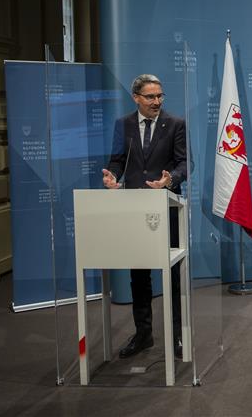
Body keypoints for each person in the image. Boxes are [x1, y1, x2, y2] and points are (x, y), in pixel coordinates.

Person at [101, 74, 188, 359]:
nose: (157, 101)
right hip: (136, 208)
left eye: (160, 96)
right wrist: (113, 175)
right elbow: (117, 159)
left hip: (168, 207)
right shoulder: (122, 125)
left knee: (173, 274)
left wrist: (170, 179)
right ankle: (143, 335)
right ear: (136, 97)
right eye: (150, 97)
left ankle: (178, 336)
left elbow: (186, 163)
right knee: (139, 275)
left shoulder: (176, 124)